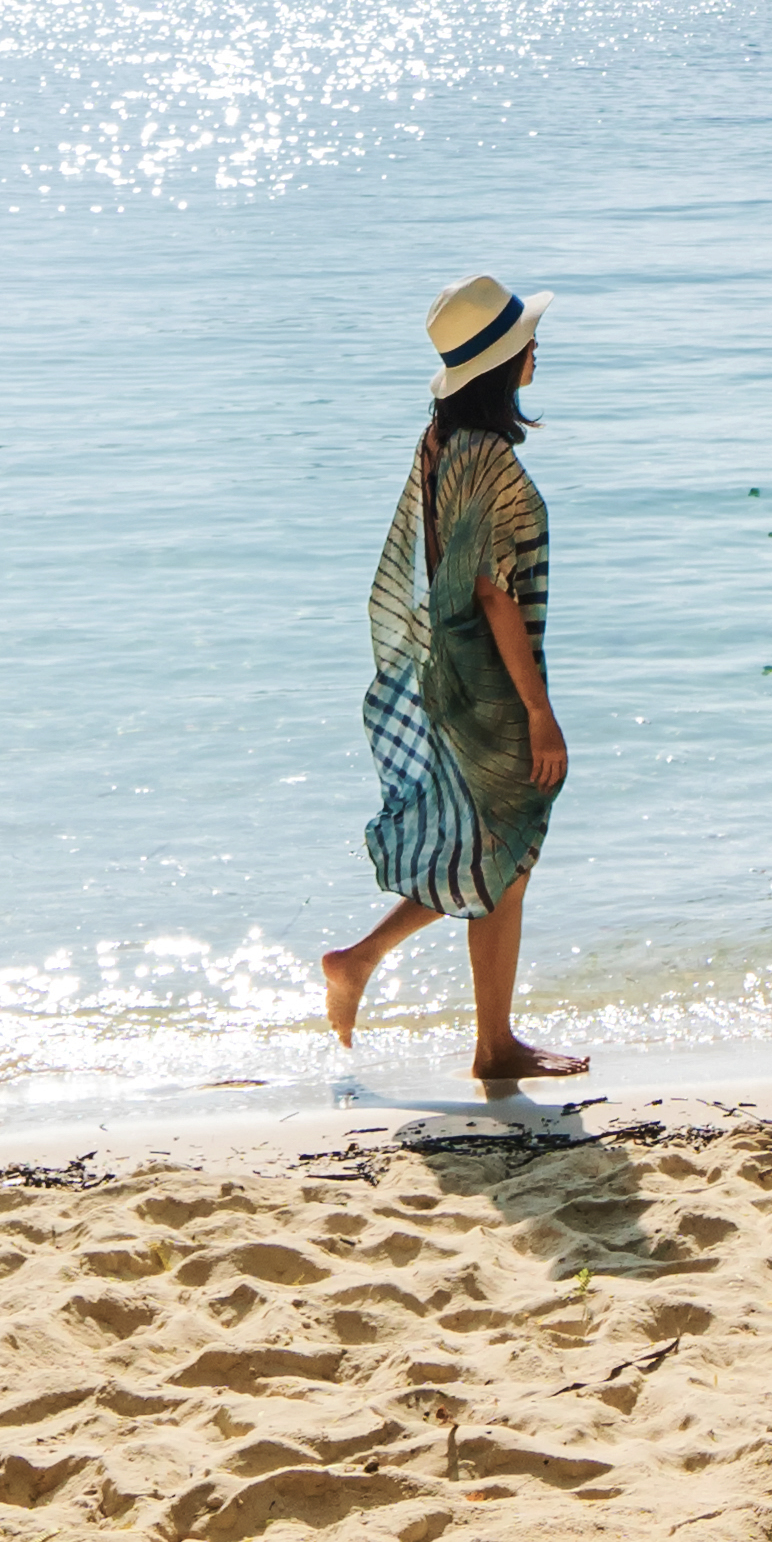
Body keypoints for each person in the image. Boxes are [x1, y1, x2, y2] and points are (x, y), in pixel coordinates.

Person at [320, 273, 580, 1096]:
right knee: (506, 840)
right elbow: (492, 592)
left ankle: (384, 976)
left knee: (496, 845)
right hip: (485, 679)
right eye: (525, 342)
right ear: (505, 365)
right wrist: (539, 711)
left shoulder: (441, 438)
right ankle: (482, 1038)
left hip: (455, 669)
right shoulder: (485, 456)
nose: (537, 348)